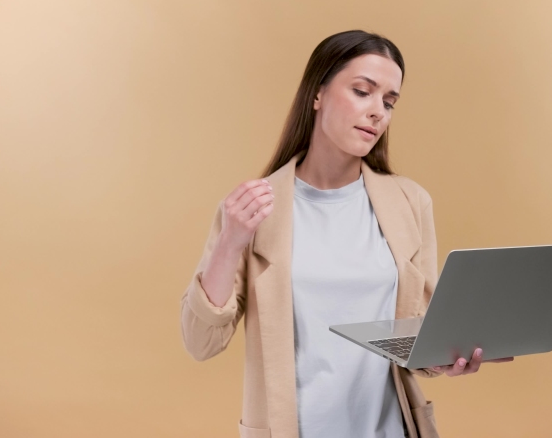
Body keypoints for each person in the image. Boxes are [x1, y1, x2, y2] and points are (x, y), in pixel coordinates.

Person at [180, 30, 513, 438]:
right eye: (362, 91)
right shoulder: (252, 209)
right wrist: (231, 241)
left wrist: (448, 355)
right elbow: (200, 342)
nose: (378, 112)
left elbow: (418, 339)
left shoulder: (410, 202)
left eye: (389, 102)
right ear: (317, 94)